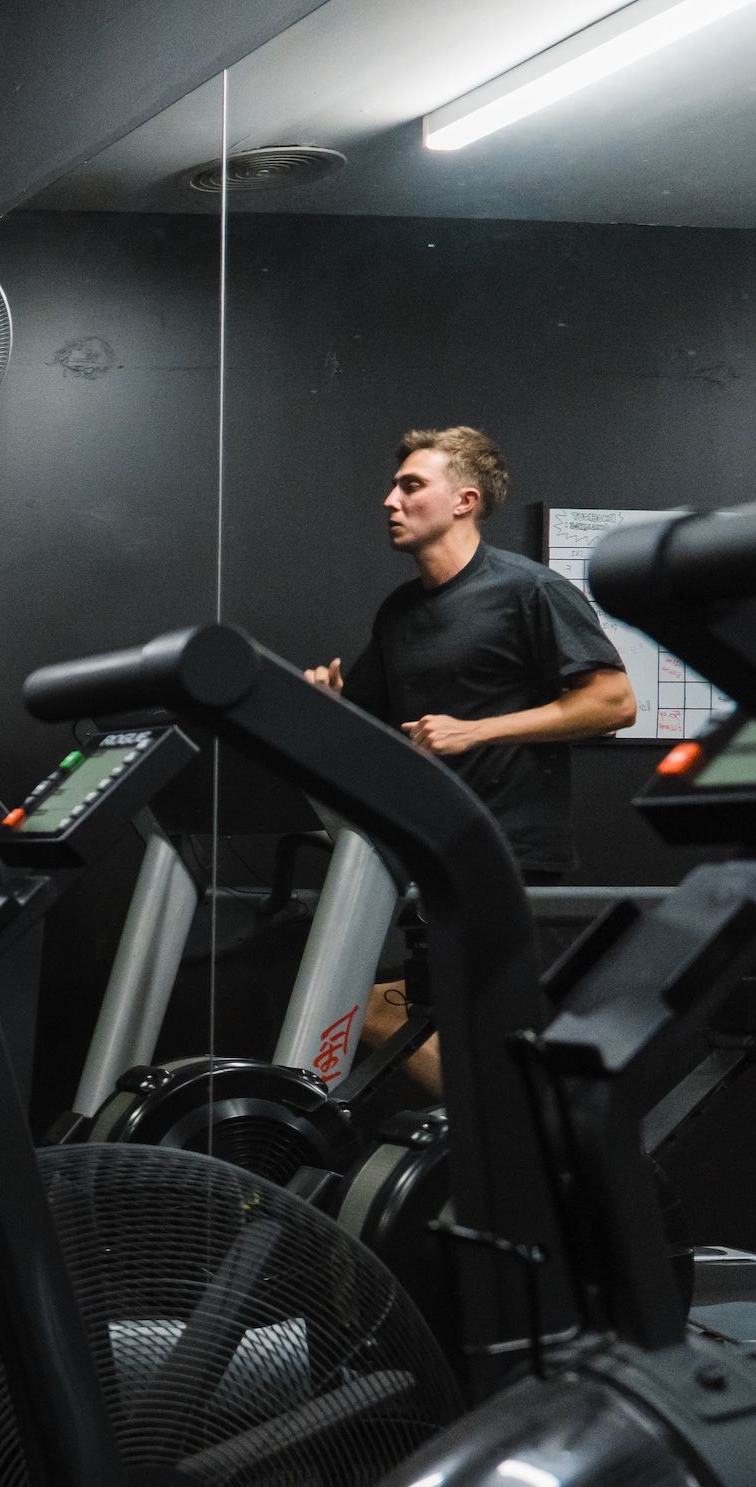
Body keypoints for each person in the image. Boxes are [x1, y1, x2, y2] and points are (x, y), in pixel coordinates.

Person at [305, 426, 636, 1099]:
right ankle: (505, 1132)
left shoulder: (527, 590)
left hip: (507, 852)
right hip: (428, 854)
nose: (389, 500)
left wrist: (478, 731)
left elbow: (614, 701)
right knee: (373, 1009)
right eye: (394, 486)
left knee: (481, 1022)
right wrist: (331, 705)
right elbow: (368, 727)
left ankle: (514, 1135)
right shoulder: (400, 613)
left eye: (410, 485)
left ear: (464, 500)